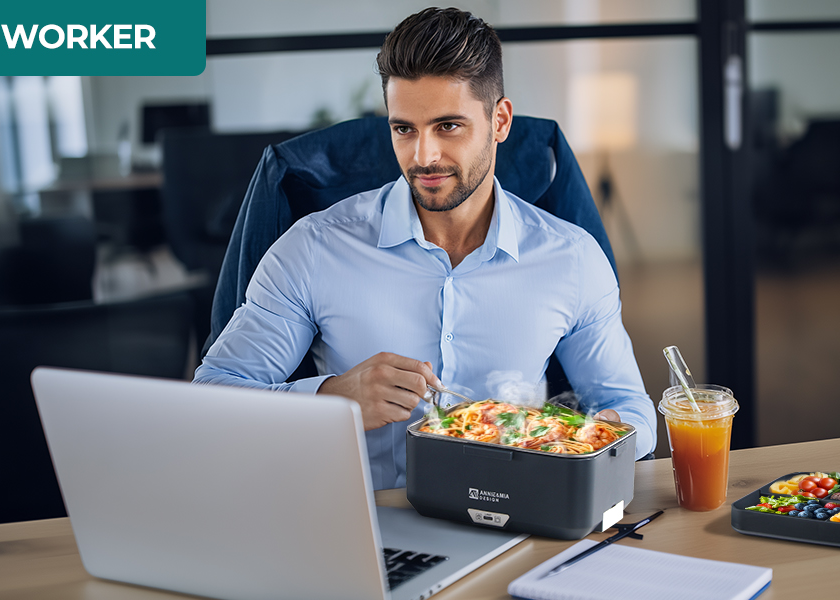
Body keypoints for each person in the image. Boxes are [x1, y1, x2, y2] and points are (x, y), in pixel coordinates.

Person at [195, 7, 655, 489]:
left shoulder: (572, 259)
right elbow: (211, 402)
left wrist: (566, 438)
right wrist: (335, 397)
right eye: (404, 129)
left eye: (448, 126)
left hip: (522, 525)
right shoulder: (313, 249)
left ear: (499, 121)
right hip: (371, 532)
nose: (423, 156)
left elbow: (630, 411)